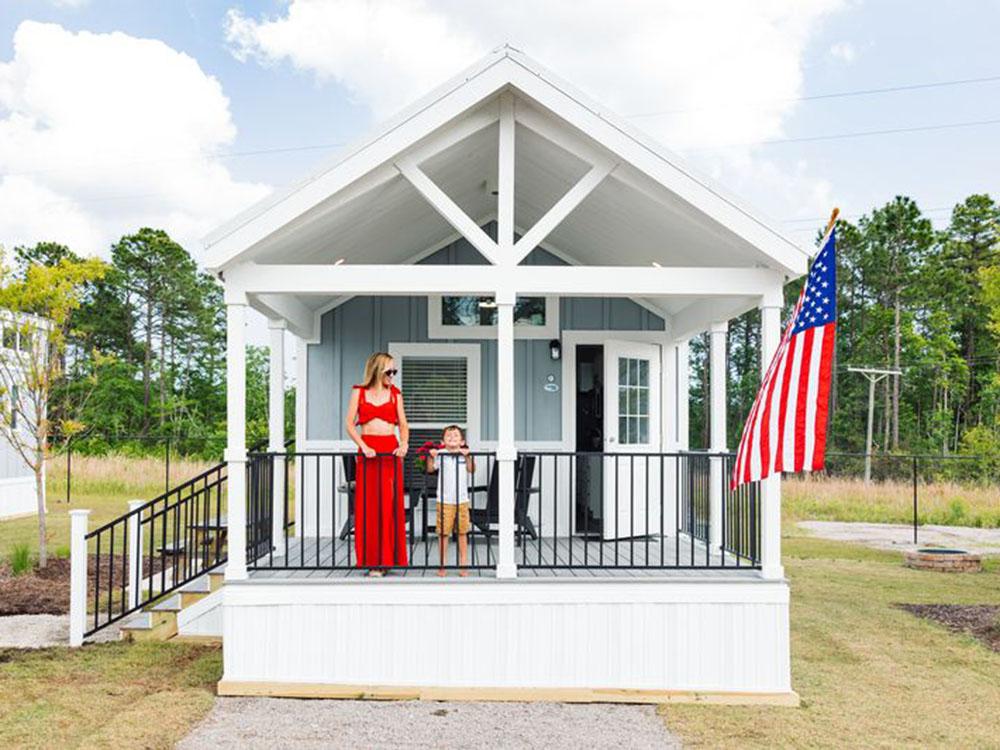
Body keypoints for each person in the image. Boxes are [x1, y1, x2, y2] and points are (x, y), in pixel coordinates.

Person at [345, 352, 409, 575]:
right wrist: (363, 446)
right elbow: (350, 424)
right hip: (368, 451)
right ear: (376, 370)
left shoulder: (395, 395)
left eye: (394, 371)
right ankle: (371, 561)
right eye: (389, 371)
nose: (392, 375)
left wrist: (404, 444)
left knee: (388, 506)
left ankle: (386, 560)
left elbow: (403, 425)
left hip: (389, 451)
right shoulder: (359, 392)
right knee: (368, 506)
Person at [429, 425, 475, 577]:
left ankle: (463, 565)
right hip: (444, 500)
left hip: (462, 499)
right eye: (449, 436)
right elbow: (430, 469)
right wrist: (432, 456)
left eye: (456, 436)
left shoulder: (464, 454)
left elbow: (472, 469)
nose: (452, 438)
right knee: (443, 533)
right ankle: (442, 565)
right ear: (443, 441)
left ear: (462, 441)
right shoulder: (441, 454)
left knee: (462, 532)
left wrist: (468, 456)